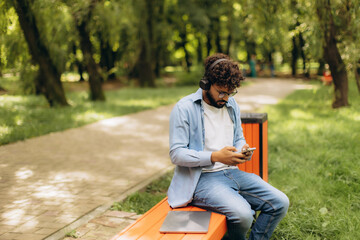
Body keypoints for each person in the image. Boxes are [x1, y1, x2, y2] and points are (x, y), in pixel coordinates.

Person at [167, 53, 289, 240]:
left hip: (232, 173)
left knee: (280, 202)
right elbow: (176, 154)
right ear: (205, 84)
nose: (225, 98)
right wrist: (215, 157)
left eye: (230, 93)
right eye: (221, 92)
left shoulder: (231, 104)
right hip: (201, 179)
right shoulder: (184, 108)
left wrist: (242, 149)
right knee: (243, 216)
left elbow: (238, 137)